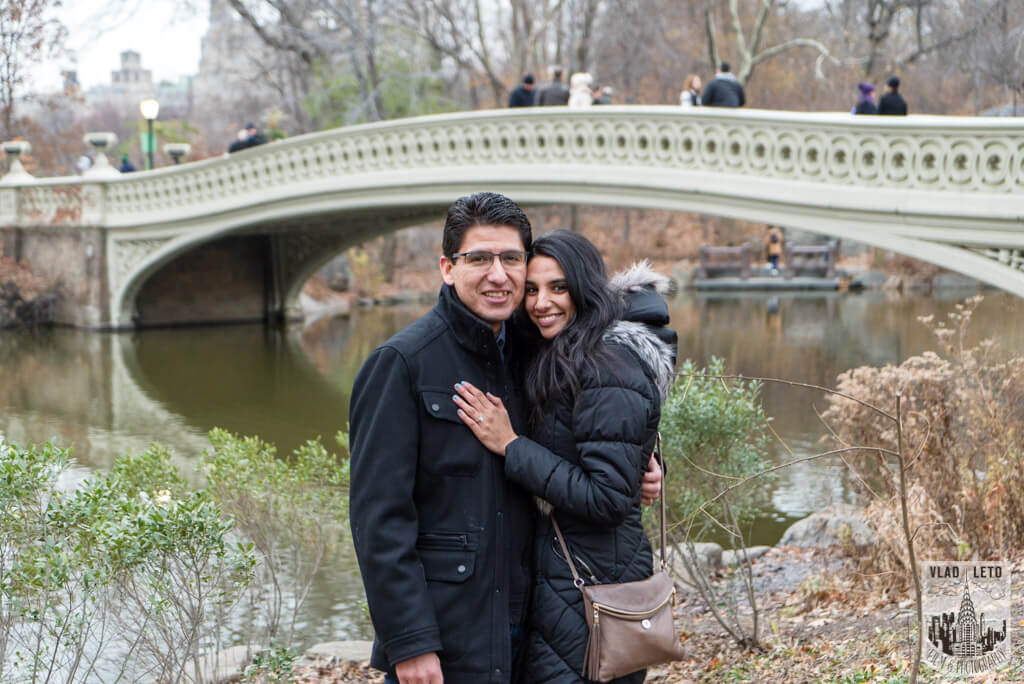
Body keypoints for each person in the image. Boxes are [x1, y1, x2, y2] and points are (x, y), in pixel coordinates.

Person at [349, 194, 662, 684]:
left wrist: (642, 465)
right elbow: (379, 518)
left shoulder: (531, 350)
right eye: (479, 258)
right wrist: (409, 641)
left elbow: (598, 429)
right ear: (448, 268)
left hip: (530, 621)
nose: (498, 274)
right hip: (449, 633)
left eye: (511, 258)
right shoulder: (403, 362)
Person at [452, 231, 676, 684]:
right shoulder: (560, 351)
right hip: (567, 583)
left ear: (585, 287)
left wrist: (512, 445)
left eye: (558, 288)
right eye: (531, 290)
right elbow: (608, 442)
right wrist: (650, 465)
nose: (541, 303)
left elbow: (608, 498)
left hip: (596, 588)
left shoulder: (605, 362)